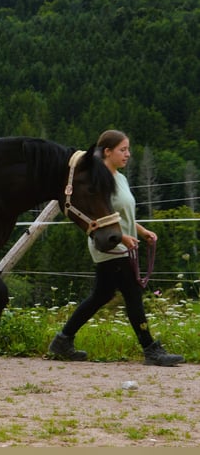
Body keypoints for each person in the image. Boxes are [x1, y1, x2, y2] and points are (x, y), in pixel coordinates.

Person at [48, 129, 184, 367]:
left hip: (125, 245)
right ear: (107, 152)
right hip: (110, 246)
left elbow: (122, 213)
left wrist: (141, 231)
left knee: (101, 295)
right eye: (123, 149)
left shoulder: (120, 177)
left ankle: (62, 340)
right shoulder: (98, 181)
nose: (128, 154)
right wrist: (122, 238)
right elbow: (99, 216)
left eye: (128, 149)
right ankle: (150, 349)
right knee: (133, 295)